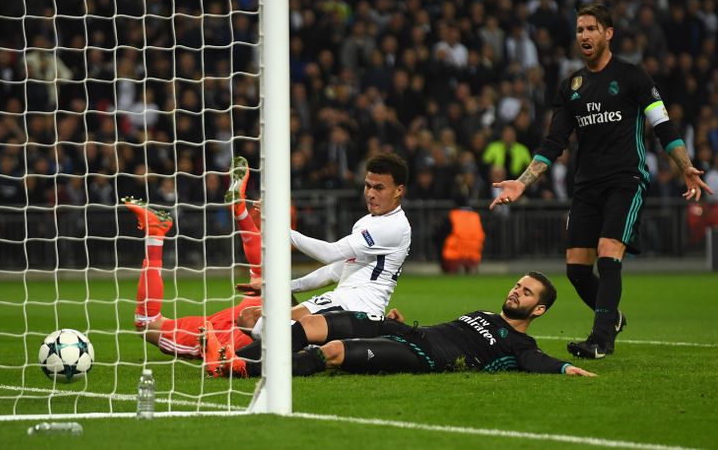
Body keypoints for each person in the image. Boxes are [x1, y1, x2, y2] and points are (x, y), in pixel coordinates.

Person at [489, 3, 712, 359]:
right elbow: (553, 143)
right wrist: (522, 182)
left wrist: (684, 164)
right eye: (579, 30)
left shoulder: (633, 77)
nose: (584, 36)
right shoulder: (571, 87)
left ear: (608, 33)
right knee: (577, 269)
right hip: (587, 186)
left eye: (591, 29)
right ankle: (613, 318)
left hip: (626, 180)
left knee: (609, 254)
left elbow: (663, 125)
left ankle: (600, 340)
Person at [204, 272, 595, 378]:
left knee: (332, 353)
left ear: (538, 310)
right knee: (314, 325)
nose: (515, 293)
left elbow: (537, 362)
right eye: (517, 285)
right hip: (407, 332)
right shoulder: (487, 315)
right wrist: (399, 321)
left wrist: (564, 367)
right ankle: (234, 355)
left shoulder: (519, 346)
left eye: (526, 293)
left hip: (422, 355)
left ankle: (240, 368)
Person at [235, 153, 412, 340]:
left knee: (258, 321)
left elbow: (330, 253)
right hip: (340, 302)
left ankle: (302, 348)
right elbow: (333, 272)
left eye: (379, 188)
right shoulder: (367, 222)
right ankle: (305, 346)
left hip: (357, 309)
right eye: (367, 186)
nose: (370, 194)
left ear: (398, 191)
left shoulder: (394, 226)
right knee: (249, 317)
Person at [122, 156, 265, 358]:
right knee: (148, 323)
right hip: (247, 333)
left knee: (261, 278)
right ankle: (155, 234)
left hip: (255, 314)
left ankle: (240, 211)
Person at [434, 194, 486, 274]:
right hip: (473, 256)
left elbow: (439, 235)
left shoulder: (452, 216)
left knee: (440, 240)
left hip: (454, 256)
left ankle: (456, 267)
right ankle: (469, 267)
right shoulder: (476, 216)